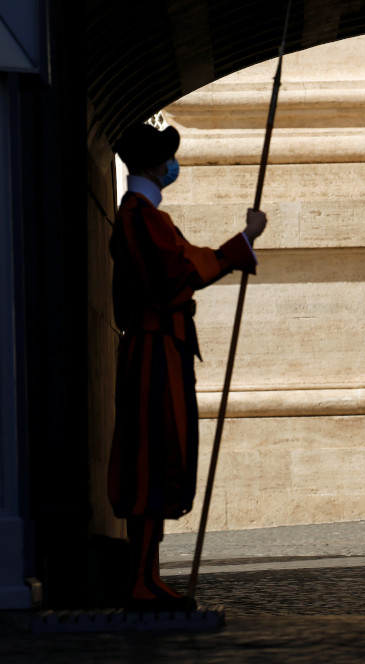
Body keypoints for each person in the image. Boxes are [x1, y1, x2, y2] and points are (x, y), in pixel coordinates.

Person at [107, 122, 267, 608]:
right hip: (155, 348)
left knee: (159, 456)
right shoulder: (141, 217)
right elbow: (175, 273)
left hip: (163, 346)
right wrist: (242, 241)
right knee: (152, 459)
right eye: (166, 160)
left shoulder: (146, 215)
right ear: (155, 165)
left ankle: (148, 577)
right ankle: (141, 580)